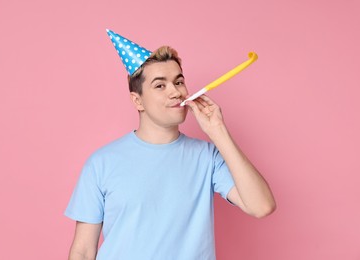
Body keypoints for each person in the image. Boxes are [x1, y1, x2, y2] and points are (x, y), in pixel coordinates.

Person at [65, 30, 276, 260]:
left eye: (179, 82)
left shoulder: (207, 157)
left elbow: (261, 206)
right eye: (160, 85)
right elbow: (83, 251)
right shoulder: (101, 163)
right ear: (138, 100)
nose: (176, 92)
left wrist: (218, 132)